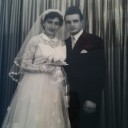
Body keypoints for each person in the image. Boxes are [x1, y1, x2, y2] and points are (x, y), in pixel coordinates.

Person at [1, 9, 70, 128]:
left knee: (52, 115)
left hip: (55, 85)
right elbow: (25, 64)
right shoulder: (35, 41)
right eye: (50, 22)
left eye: (56, 23)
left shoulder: (61, 43)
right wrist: (45, 68)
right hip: (36, 85)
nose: (52, 26)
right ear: (43, 22)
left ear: (59, 25)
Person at [64, 6, 106, 128]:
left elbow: (100, 72)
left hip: (87, 98)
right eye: (68, 22)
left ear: (82, 22)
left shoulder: (95, 40)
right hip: (67, 99)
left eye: (75, 21)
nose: (72, 25)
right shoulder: (63, 43)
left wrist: (92, 98)